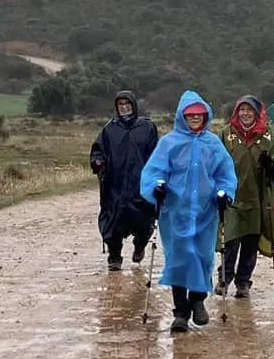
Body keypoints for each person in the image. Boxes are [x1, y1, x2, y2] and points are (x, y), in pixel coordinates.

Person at [140, 91, 238, 333]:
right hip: (176, 212)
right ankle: (181, 313)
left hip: (206, 212)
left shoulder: (213, 144)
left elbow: (225, 173)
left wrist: (225, 192)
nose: (195, 118)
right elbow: (153, 171)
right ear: (182, 116)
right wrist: (157, 186)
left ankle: (197, 299)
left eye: (199, 114)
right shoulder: (169, 143)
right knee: (179, 258)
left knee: (203, 256)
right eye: (190, 115)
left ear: (206, 115)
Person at [215, 95, 274, 298]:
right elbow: (215, 162)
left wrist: (271, 166)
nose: (245, 114)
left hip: (258, 198)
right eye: (242, 110)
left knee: (250, 242)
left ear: (257, 113)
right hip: (232, 198)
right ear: (236, 112)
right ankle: (224, 278)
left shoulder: (268, 136)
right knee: (230, 240)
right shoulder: (226, 134)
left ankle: (243, 282)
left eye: (250, 110)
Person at [88, 89, 159, 270]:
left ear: (134, 105)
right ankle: (114, 257)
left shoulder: (147, 127)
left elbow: (156, 153)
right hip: (115, 185)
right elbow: (98, 150)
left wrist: (157, 176)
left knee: (144, 221)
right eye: (120, 104)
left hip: (140, 185)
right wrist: (98, 161)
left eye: (127, 104)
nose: (124, 107)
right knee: (113, 222)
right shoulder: (110, 129)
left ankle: (139, 245)